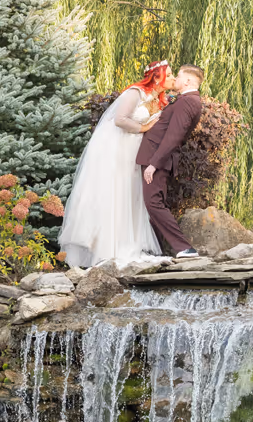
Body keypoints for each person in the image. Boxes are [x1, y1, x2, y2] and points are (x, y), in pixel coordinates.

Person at [58, 61, 173, 268]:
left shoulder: (159, 99)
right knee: (117, 192)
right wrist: (145, 127)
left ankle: (128, 242)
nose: (172, 78)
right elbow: (120, 119)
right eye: (170, 74)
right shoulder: (135, 93)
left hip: (136, 151)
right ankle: (108, 248)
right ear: (157, 76)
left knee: (131, 194)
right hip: (120, 149)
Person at [137, 64, 204, 259]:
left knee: (153, 203)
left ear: (189, 81)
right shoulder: (186, 100)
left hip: (157, 158)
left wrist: (154, 163)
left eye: (179, 76)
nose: (175, 79)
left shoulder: (188, 102)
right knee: (154, 203)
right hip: (155, 157)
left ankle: (184, 248)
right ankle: (156, 249)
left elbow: (173, 137)